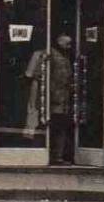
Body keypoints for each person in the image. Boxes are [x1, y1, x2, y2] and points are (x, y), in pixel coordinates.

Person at [25, 33, 74, 165]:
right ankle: (52, 155)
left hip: (59, 98)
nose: (69, 47)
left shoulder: (61, 57)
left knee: (57, 126)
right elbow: (38, 77)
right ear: (59, 42)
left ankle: (54, 155)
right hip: (54, 98)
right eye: (67, 43)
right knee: (55, 125)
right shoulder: (50, 56)